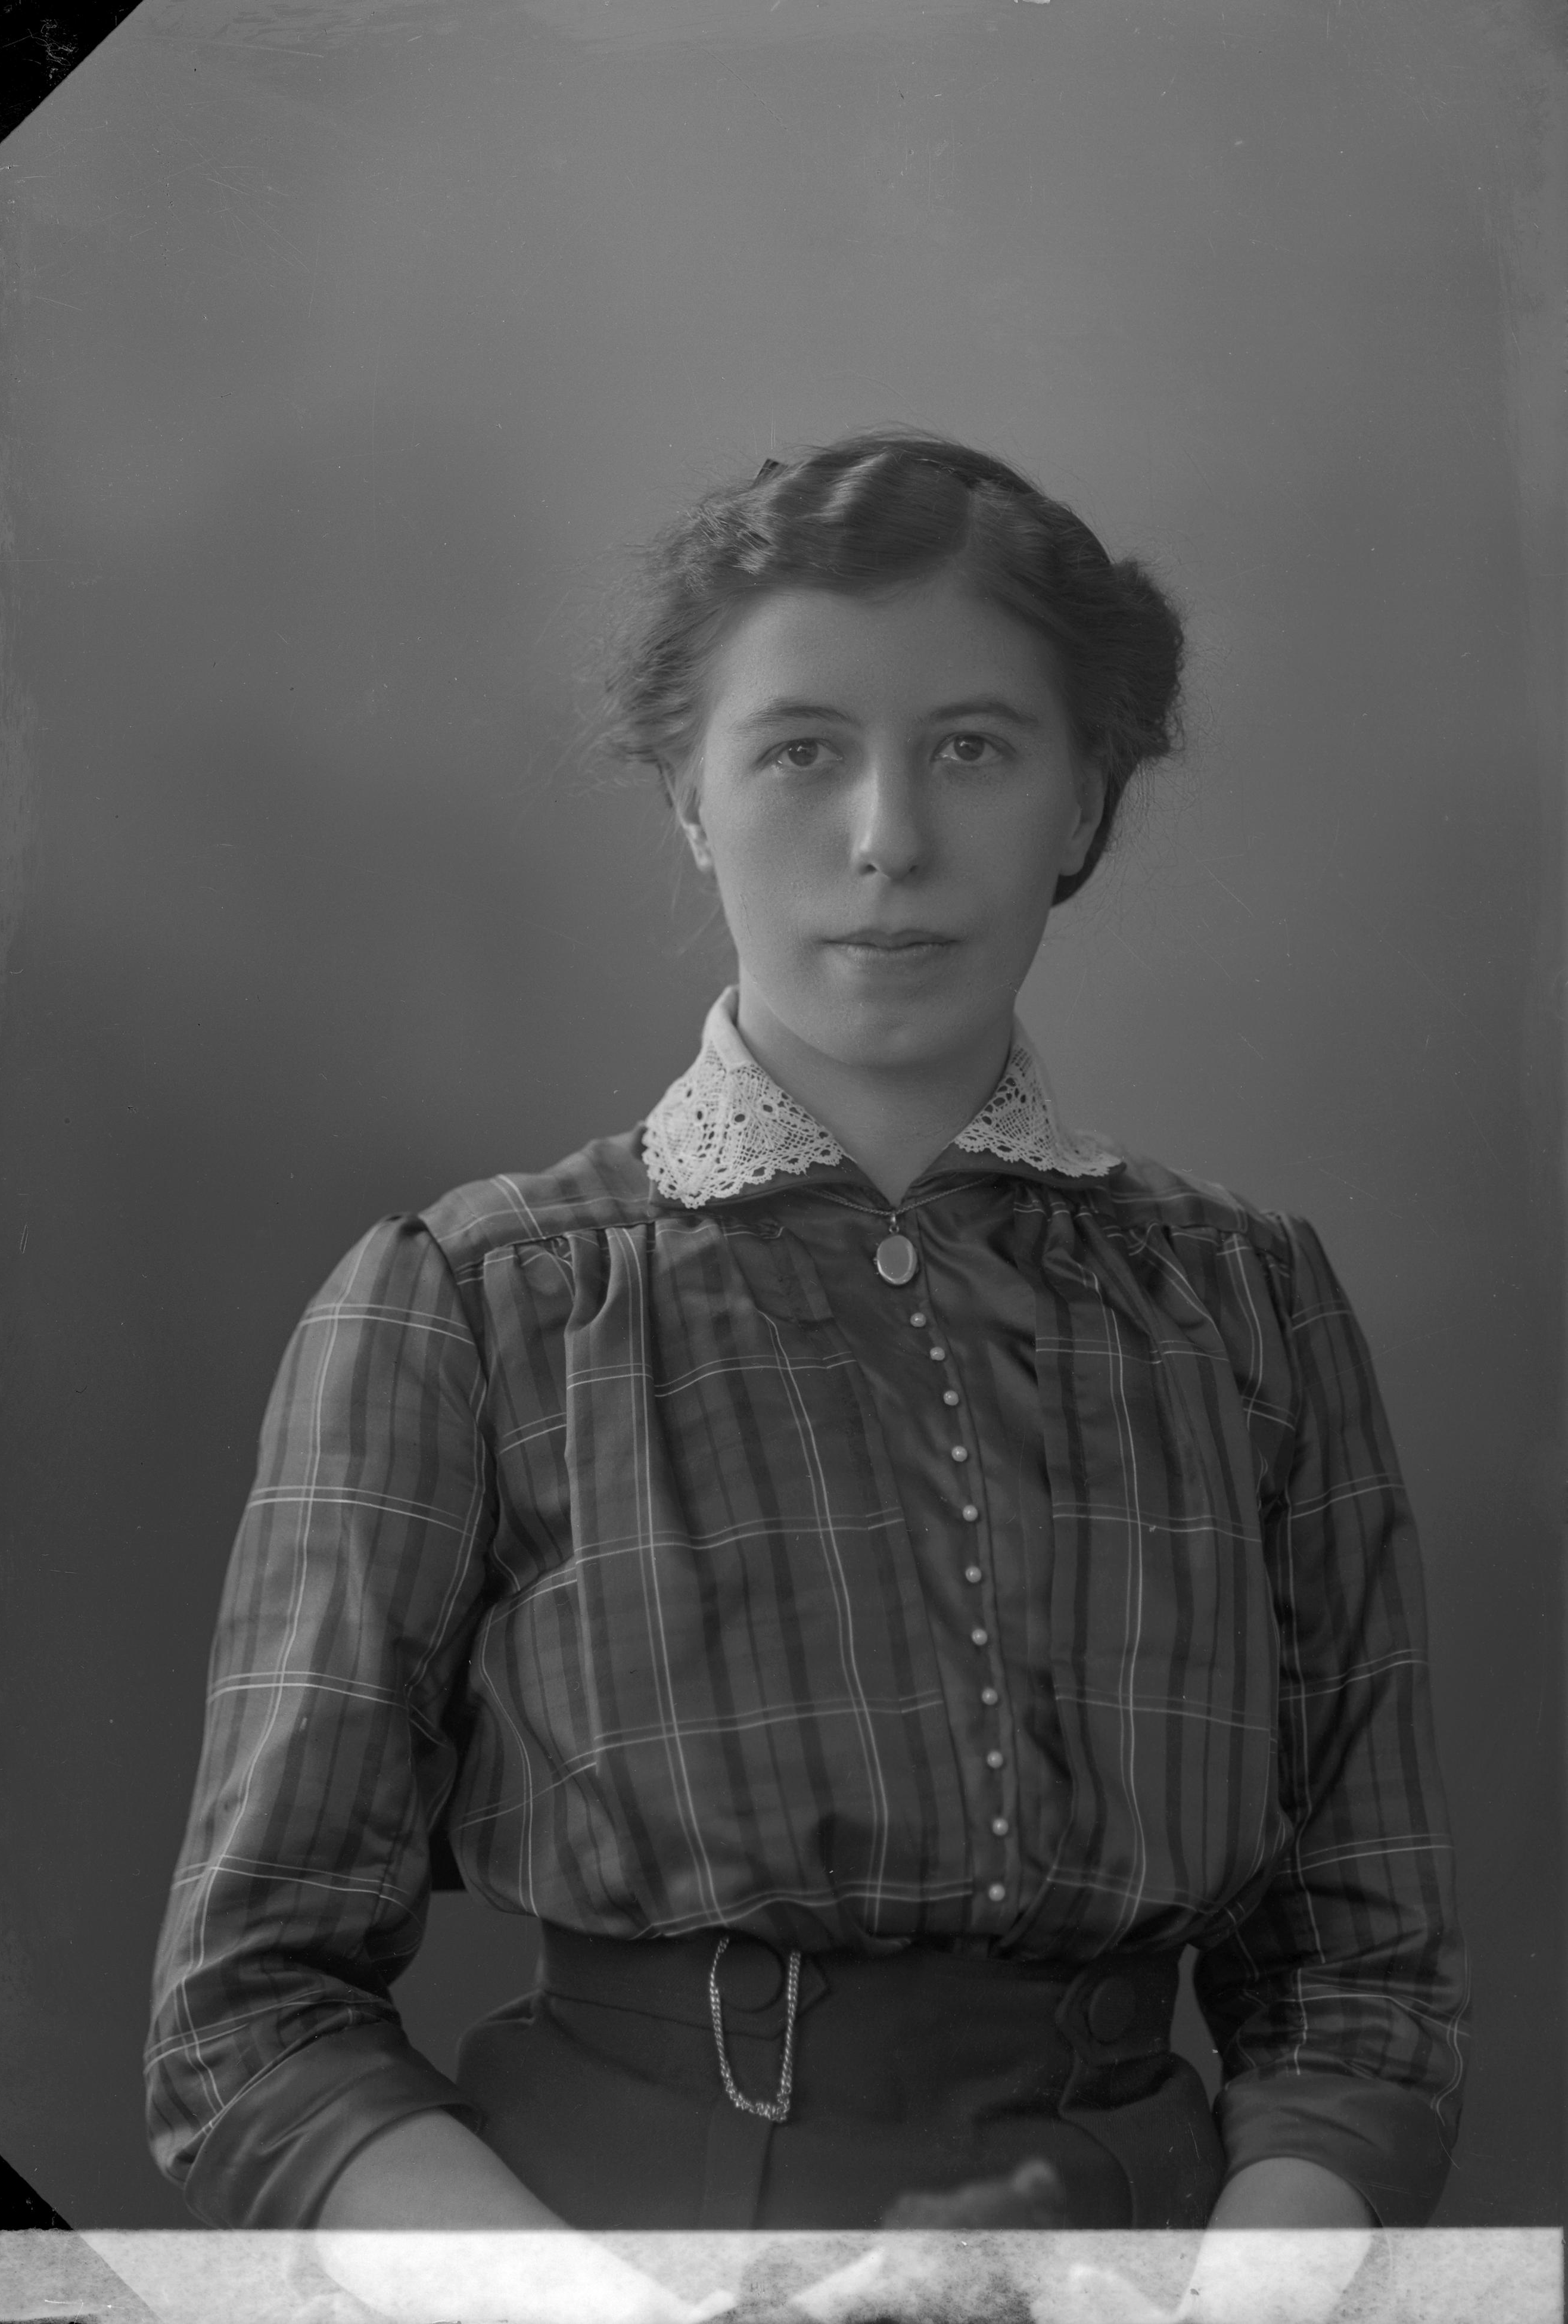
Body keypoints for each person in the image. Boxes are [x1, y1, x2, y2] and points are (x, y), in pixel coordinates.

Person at [144, 433, 1467, 2323]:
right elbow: (250, 2018)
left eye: (975, 748)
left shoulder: (1251, 1308)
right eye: (799, 751)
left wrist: (1236, 2305)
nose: (888, 838)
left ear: (1086, 800)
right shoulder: (471, 1307)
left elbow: (1361, 1978)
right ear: (688, 800)